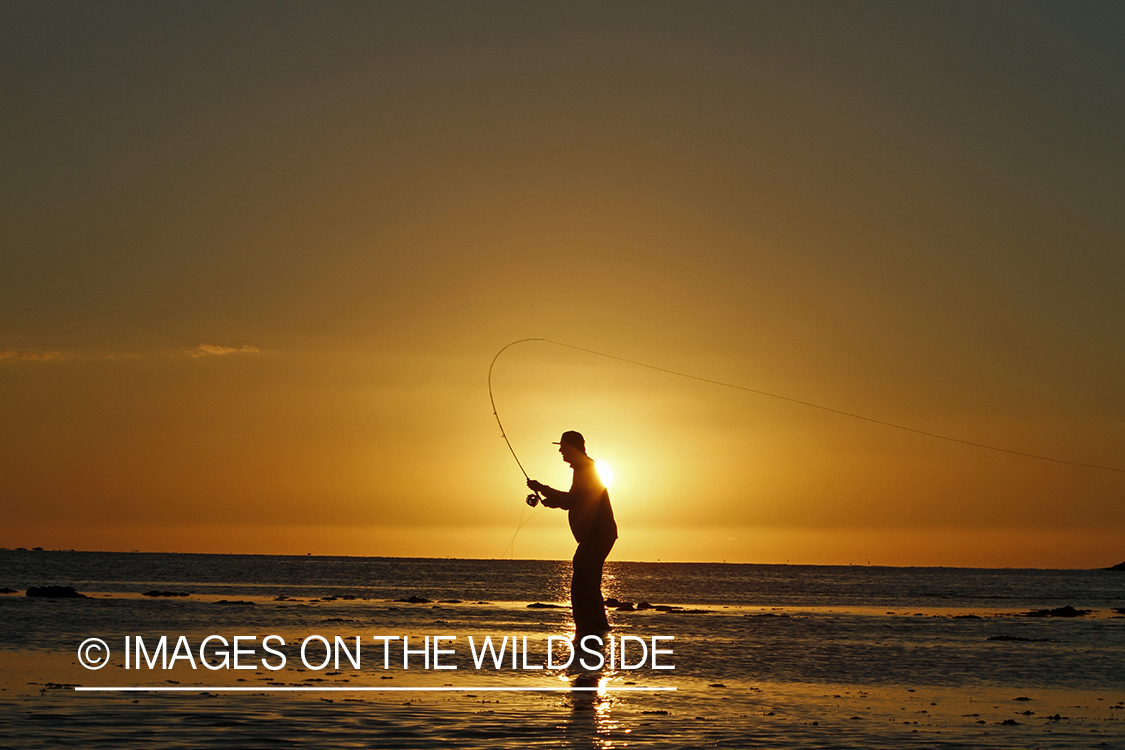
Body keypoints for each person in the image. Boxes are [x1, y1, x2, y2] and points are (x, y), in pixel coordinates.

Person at [527, 430, 618, 638]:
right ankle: (596, 627)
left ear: (572, 447)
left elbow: (573, 500)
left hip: (597, 534)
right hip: (598, 534)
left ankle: (586, 628)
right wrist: (554, 501)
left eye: (563, 446)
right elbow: (577, 500)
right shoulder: (584, 467)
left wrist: (542, 488)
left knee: (581, 581)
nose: (560, 450)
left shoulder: (586, 467)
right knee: (588, 581)